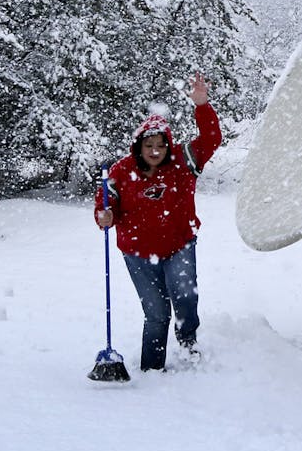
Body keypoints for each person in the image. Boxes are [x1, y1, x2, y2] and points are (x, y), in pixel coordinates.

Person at [94, 73, 221, 370]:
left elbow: (212, 138)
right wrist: (105, 216)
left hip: (179, 244)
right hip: (137, 252)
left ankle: (188, 342)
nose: (154, 151)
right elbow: (105, 205)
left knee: (185, 296)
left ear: (168, 145)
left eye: (160, 146)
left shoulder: (184, 159)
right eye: (148, 146)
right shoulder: (121, 171)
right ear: (138, 146)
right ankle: (152, 370)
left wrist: (201, 104)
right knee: (156, 313)